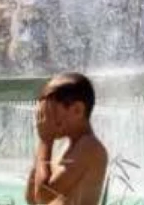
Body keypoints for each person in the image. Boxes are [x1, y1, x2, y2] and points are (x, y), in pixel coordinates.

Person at [25, 73, 109, 205]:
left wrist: (45, 142)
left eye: (51, 112)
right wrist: (44, 143)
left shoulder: (89, 147)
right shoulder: (65, 147)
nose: (46, 120)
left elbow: (44, 196)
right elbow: (32, 198)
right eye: (43, 114)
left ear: (77, 110)